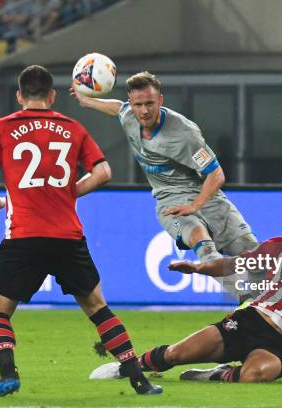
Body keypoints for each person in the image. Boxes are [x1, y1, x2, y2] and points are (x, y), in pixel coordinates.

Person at [0, 65, 162, 397]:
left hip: (24, 237)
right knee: (97, 307)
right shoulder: (72, 128)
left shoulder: (2, 127)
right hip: (68, 236)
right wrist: (71, 191)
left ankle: (8, 374)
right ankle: (139, 379)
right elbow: (104, 172)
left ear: (19, 96)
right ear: (51, 97)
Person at [89, 195, 282, 385]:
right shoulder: (281, 246)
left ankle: (216, 374)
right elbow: (232, 264)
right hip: (247, 321)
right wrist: (198, 267)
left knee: (255, 375)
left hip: (281, 342)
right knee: (176, 354)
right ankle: (126, 367)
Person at [70, 71, 259, 298]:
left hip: (207, 197)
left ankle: (278, 305)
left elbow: (216, 175)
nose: (144, 110)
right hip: (170, 201)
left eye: (150, 103)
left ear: (160, 100)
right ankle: (245, 302)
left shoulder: (184, 133)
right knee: (202, 242)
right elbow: (117, 108)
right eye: (138, 104)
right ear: (132, 103)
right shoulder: (129, 115)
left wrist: (196, 205)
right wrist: (87, 101)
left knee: (256, 259)